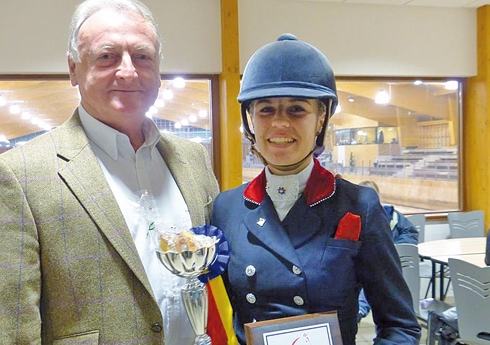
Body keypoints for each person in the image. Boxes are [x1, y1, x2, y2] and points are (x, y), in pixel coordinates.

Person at [0, 1, 223, 344]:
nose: (128, 71)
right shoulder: (21, 174)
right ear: (74, 68)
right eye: (107, 56)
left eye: (143, 56)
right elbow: (14, 327)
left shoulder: (192, 159)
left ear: (159, 69)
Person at [211, 33, 421, 345]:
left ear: (321, 117)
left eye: (296, 109)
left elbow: (400, 326)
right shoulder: (226, 208)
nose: (279, 123)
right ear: (251, 119)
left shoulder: (359, 204)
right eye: (266, 110)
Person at [356, 180, 419, 322]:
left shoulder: (393, 216)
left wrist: (396, 248)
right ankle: (359, 309)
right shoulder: (353, 216)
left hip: (388, 263)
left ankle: (361, 308)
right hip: (364, 261)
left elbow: (411, 232)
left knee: (377, 281)